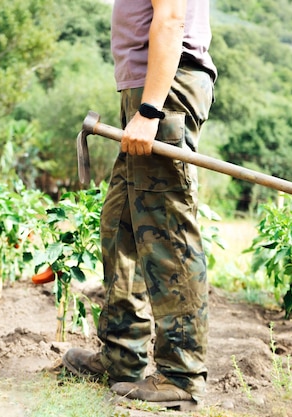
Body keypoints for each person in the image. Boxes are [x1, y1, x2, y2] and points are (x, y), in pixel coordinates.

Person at [62, 0, 217, 411]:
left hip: (163, 91)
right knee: (123, 225)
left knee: (166, 232)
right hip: (150, 88)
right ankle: (122, 358)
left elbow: (170, 17)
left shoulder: (156, 100)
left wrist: (150, 110)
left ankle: (181, 375)